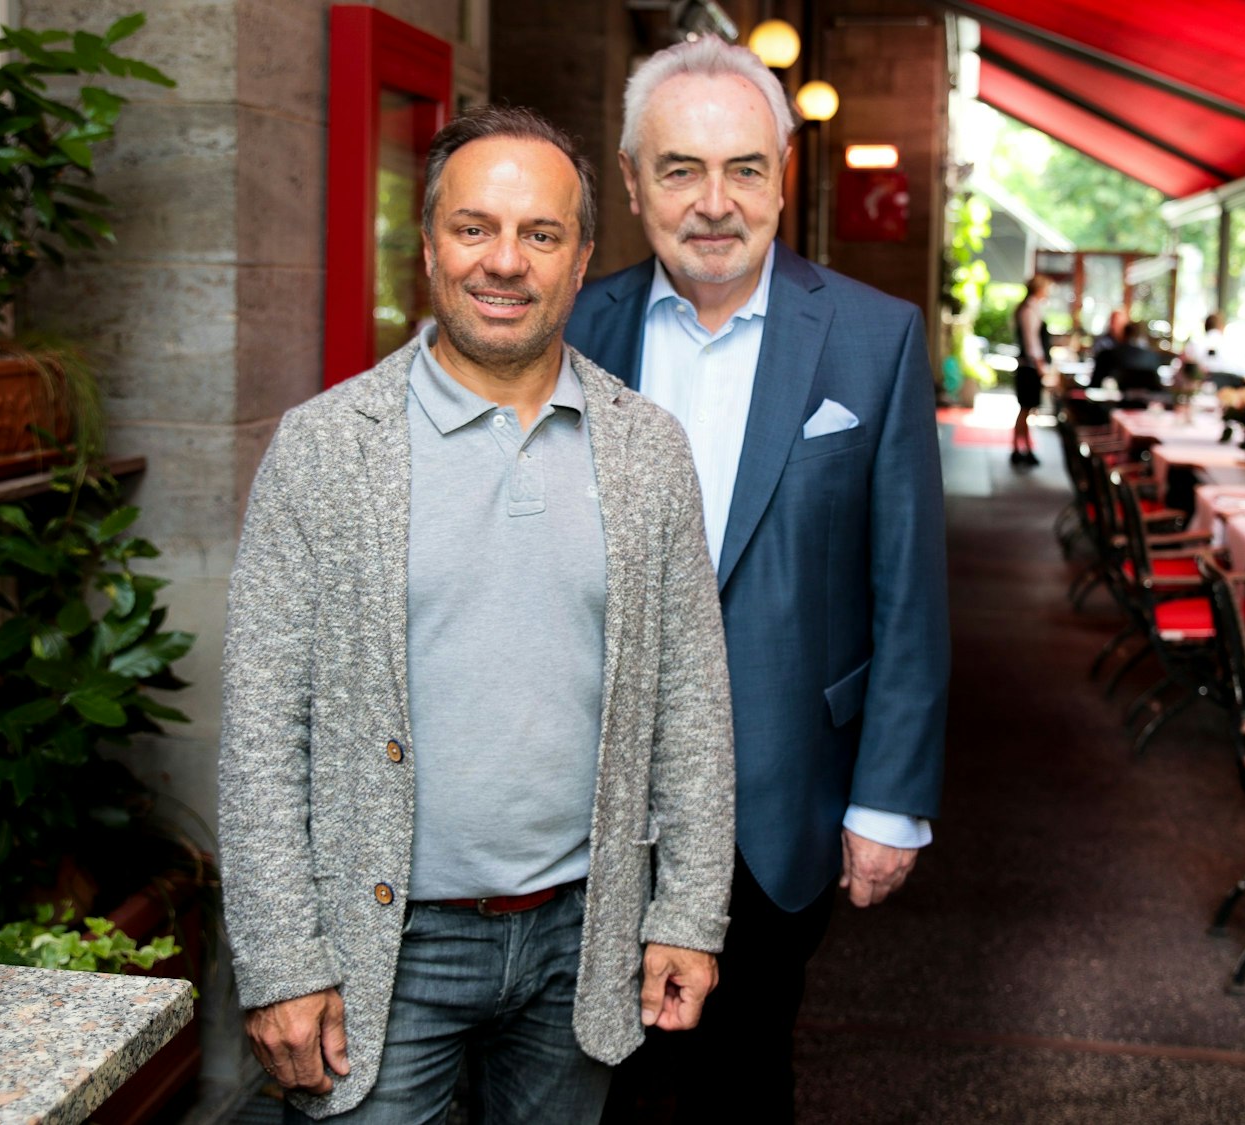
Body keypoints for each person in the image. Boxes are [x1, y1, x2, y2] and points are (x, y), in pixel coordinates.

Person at [218, 105, 736, 1125]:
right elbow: (261, 725)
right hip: (383, 949)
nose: (505, 262)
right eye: (474, 229)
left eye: (539, 234)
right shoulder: (325, 449)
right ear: (427, 249)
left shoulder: (647, 450)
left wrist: (686, 912)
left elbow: (692, 700)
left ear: (581, 257)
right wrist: (281, 961)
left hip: (581, 941)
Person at [565, 36, 949, 1122]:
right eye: (679, 169)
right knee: (593, 1082)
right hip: (592, 796)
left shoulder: (872, 340)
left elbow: (907, 591)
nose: (713, 202)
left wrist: (890, 800)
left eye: (743, 168)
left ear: (784, 176)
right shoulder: (575, 331)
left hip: (778, 791)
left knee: (740, 1077)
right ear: (632, 183)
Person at [1010, 273, 1053, 465]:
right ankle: (1020, 448)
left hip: (1030, 366)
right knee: (1025, 410)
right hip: (1029, 368)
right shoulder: (1029, 310)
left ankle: (1023, 447)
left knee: (1027, 410)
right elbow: (1032, 344)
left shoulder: (1033, 309)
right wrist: (1041, 367)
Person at [1192, 311, 1245, 388]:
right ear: (1222, 326)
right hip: (1232, 391)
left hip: (1202, 388)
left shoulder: (1194, 344)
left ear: (1205, 326)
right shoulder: (1235, 345)